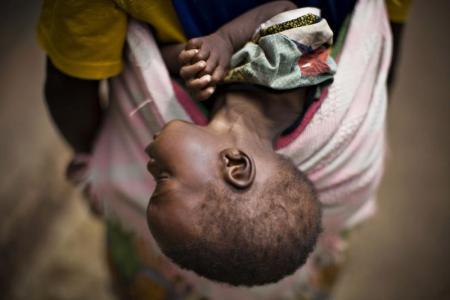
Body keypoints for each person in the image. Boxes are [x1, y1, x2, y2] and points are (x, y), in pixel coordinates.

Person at [38, 0, 409, 298]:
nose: (148, 167)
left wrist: (189, 59)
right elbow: (298, 18)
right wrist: (226, 41)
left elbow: (160, 61)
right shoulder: (290, 90)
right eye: (163, 178)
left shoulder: (217, 101)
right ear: (235, 165)